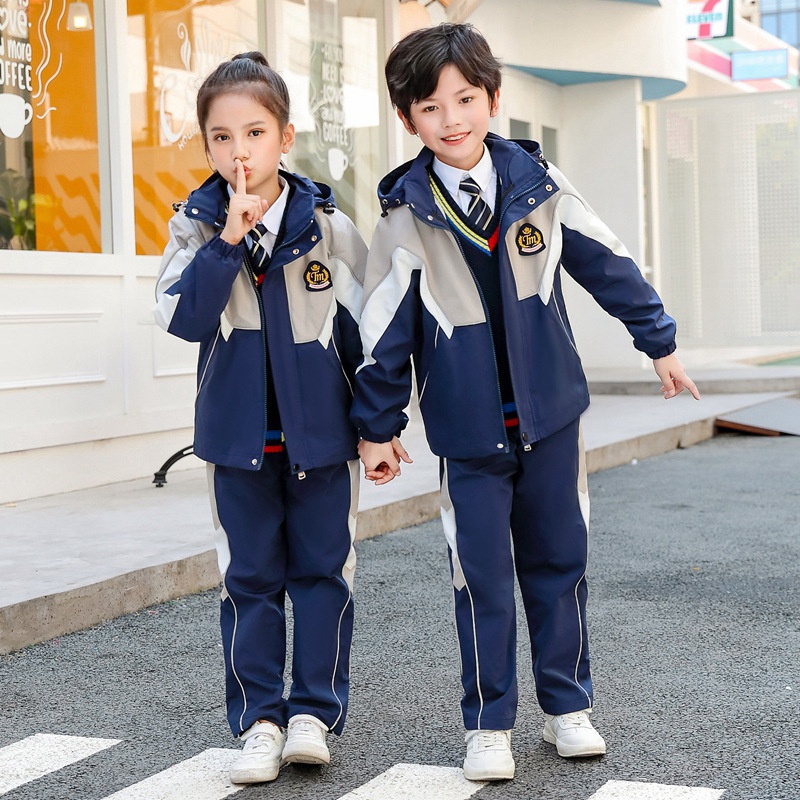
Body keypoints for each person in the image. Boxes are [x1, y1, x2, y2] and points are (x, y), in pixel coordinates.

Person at [351, 23, 700, 783]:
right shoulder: (403, 216)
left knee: (559, 564)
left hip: (552, 421)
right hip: (466, 437)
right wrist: (376, 429)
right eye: (431, 107)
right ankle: (488, 725)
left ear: (494, 99)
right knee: (479, 578)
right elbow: (383, 334)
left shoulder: (542, 185)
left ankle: (567, 707)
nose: (452, 119)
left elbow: (609, 263)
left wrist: (659, 341)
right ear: (408, 119)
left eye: (466, 99)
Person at [154, 52, 367, 785]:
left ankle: (312, 714)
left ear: (285, 136)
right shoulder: (193, 227)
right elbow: (181, 320)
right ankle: (259, 723)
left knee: (322, 576)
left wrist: (378, 425)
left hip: (323, 439)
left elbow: (370, 331)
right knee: (247, 582)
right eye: (221, 137)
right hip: (236, 442)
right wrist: (225, 242)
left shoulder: (330, 228)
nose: (238, 151)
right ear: (206, 144)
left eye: (254, 132)